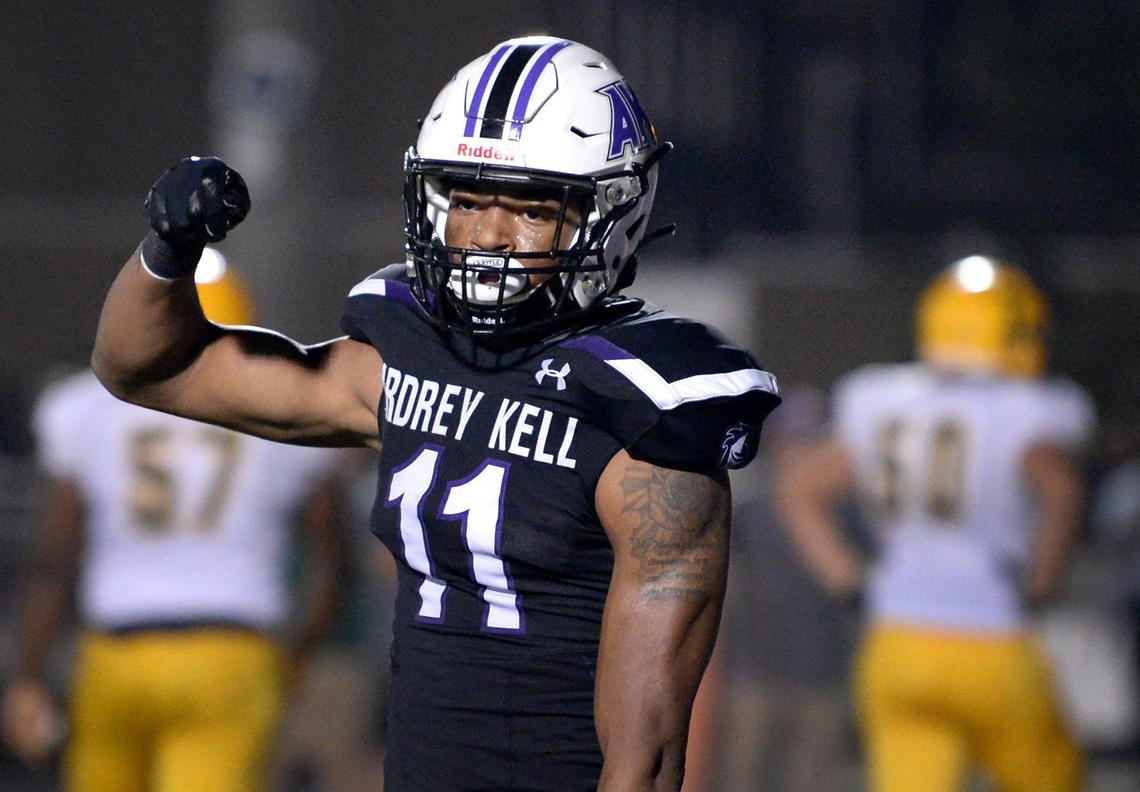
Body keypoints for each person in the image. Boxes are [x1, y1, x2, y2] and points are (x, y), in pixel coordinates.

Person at [89, 36, 781, 791]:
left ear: (612, 212)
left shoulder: (640, 413)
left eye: (531, 206)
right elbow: (148, 368)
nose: (487, 234)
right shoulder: (405, 358)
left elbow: (644, 757)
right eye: (470, 198)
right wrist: (166, 252)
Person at [1, 253, 351, 792]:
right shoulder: (282, 401)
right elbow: (332, 563)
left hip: (115, 652)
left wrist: (27, 676)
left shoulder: (83, 408)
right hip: (231, 651)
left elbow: (54, 559)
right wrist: (295, 660)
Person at [778, 255, 1094, 792]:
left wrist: (847, 581)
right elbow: (1062, 491)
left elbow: (799, 491)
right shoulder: (1030, 407)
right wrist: (1043, 584)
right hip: (992, 639)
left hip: (896, 640)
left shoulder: (879, 397)